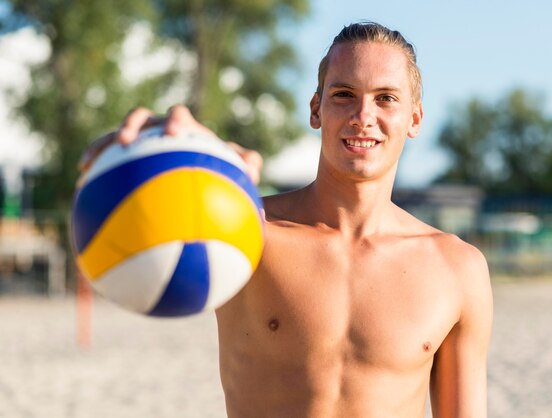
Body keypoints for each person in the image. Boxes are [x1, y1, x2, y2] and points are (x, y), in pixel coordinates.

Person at [81, 22, 492, 418]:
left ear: (415, 119)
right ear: (316, 108)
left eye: (385, 98)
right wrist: (158, 152)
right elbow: (162, 217)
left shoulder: (456, 269)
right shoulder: (250, 234)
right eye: (344, 94)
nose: (363, 115)